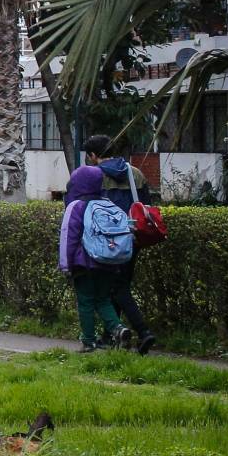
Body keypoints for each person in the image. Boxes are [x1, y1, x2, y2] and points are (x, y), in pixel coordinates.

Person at [86, 134, 159, 355]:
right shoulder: (135, 173)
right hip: (131, 238)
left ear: (93, 155)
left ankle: (143, 332)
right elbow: (147, 206)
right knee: (118, 285)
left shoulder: (94, 175)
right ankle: (112, 335)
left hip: (106, 240)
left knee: (116, 287)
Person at [58, 159, 122, 352]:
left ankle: (88, 341)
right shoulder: (107, 203)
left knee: (85, 301)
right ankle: (118, 328)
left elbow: (68, 237)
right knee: (103, 299)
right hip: (109, 261)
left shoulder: (76, 206)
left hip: (83, 263)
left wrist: (65, 265)